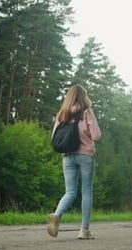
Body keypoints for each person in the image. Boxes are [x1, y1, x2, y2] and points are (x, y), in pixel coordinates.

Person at [48, 84, 102, 239]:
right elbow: (96, 136)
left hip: (67, 156)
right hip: (85, 156)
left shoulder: (62, 114)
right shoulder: (86, 112)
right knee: (86, 192)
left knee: (70, 191)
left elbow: (54, 138)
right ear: (83, 97)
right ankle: (84, 230)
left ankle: (57, 215)